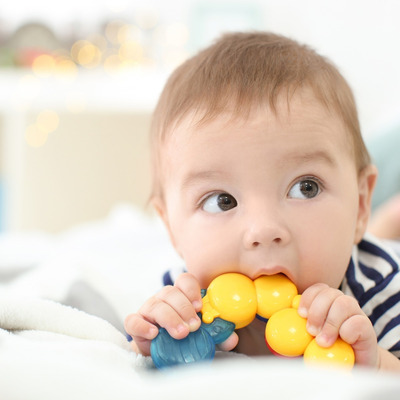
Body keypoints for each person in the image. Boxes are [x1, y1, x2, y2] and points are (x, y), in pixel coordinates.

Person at [124, 32, 400, 371]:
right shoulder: (187, 303)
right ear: (172, 229)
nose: (264, 230)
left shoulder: (384, 290)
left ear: (359, 205)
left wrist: (377, 366)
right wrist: (153, 346)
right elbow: (142, 357)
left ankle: (385, 226)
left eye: (306, 188)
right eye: (222, 201)